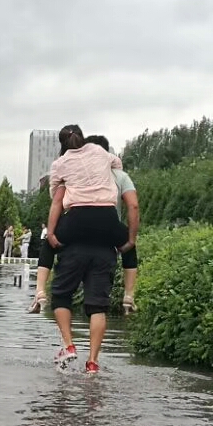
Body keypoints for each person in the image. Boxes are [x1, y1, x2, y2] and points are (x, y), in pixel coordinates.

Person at [45, 124, 125, 373]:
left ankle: (69, 345)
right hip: (107, 221)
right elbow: (118, 164)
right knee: (98, 306)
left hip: (77, 221)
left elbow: (56, 197)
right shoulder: (100, 152)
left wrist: (51, 233)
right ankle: (92, 363)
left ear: (63, 143)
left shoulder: (60, 163)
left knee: (60, 293)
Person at [87, 135, 141, 314]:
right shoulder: (120, 176)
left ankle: (43, 288)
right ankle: (128, 295)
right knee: (100, 298)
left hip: (80, 232)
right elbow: (133, 205)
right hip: (109, 232)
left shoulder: (79, 175)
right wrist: (130, 240)